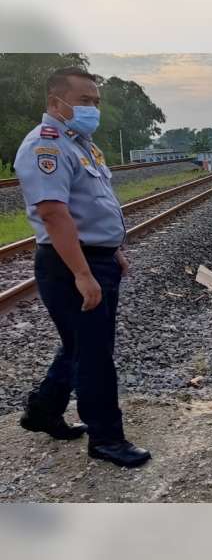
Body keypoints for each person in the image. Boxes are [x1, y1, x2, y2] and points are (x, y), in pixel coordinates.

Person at [14, 67, 150, 468]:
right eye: (85, 101)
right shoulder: (47, 145)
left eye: (96, 101)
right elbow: (54, 214)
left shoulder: (82, 144)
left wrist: (113, 250)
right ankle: (107, 438)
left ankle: (42, 410)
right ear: (57, 103)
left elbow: (94, 205)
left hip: (95, 257)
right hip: (70, 263)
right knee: (94, 353)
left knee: (79, 345)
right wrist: (83, 273)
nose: (93, 108)